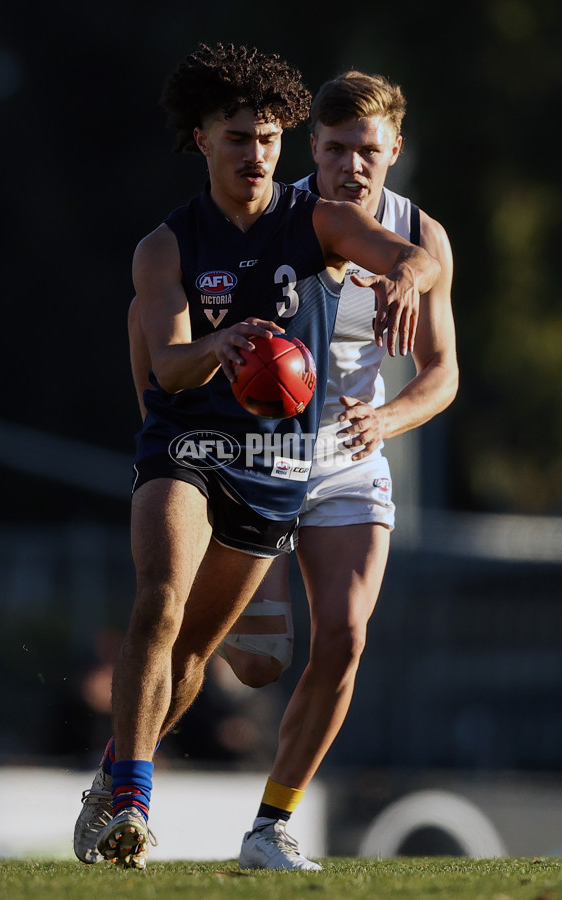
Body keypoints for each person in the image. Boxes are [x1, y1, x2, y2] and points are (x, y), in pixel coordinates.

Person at [73, 45, 440, 872]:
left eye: (270, 138)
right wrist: (221, 343)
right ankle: (131, 796)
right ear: (202, 140)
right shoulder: (164, 247)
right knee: (159, 601)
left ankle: (111, 775)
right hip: (188, 443)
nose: (256, 154)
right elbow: (167, 365)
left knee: (200, 655)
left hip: (278, 462)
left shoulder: (317, 222)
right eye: (238, 137)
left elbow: (404, 252)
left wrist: (409, 276)